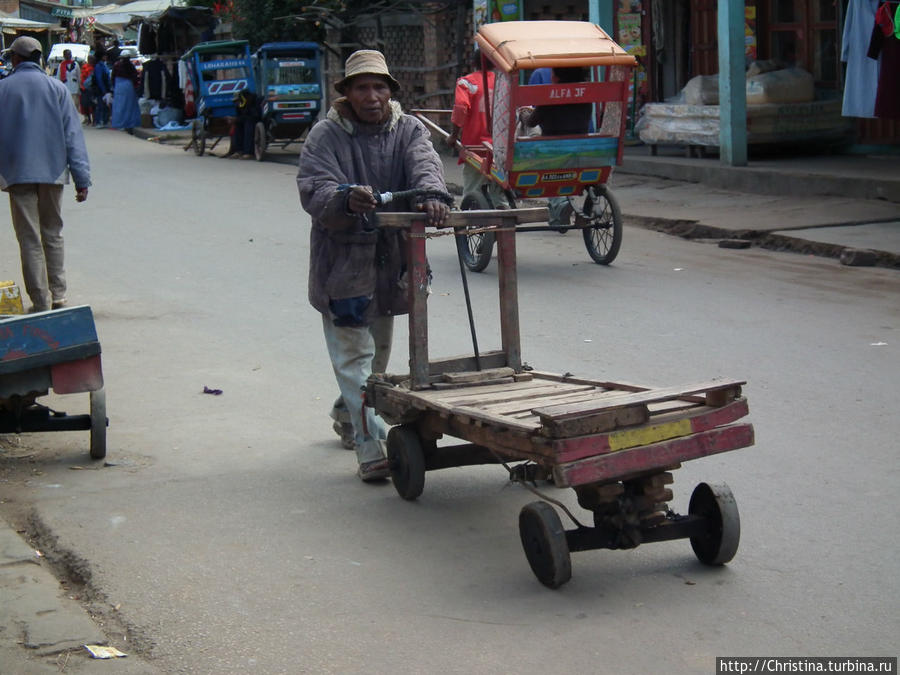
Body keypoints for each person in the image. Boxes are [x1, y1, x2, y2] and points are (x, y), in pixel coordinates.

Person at [297, 49, 451, 482]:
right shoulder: (325, 136)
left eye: (379, 87)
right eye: (362, 87)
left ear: (390, 91)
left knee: (377, 360)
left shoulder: (408, 130)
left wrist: (432, 196)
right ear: (346, 94)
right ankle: (370, 447)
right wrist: (345, 197)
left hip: (391, 264)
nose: (372, 96)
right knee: (355, 359)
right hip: (344, 266)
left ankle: (348, 413)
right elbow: (315, 189)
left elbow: (425, 166)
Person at [0, 37, 90, 313]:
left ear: (15, 59)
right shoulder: (57, 88)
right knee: (53, 233)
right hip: (53, 172)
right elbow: (73, 136)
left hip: (16, 173)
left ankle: (39, 301)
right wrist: (82, 179)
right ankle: (59, 295)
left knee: (28, 237)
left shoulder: (3, 89)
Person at [523, 67, 593, 230]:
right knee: (563, 167)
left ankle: (560, 204)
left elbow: (531, 122)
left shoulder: (549, 96)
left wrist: (524, 114)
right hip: (581, 150)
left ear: (557, 76)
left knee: (546, 168)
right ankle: (559, 213)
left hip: (551, 153)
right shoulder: (587, 95)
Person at [446, 49, 510, 207]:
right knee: (498, 193)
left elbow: (461, 108)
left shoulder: (466, 83)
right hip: (501, 148)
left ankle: (473, 222)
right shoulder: (503, 82)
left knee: (472, 190)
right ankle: (503, 222)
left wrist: (453, 136)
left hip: (475, 147)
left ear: (473, 63)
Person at [222, 88, 260, 159]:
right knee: (237, 126)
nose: (237, 103)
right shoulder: (239, 106)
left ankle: (248, 152)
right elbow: (239, 116)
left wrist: (237, 119)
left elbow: (254, 116)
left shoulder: (253, 102)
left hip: (254, 120)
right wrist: (233, 119)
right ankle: (239, 150)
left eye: (238, 100)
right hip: (244, 120)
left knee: (248, 126)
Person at [109, 51, 141, 133]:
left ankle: (119, 123)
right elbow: (135, 77)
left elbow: (112, 78)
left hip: (119, 87)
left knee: (119, 105)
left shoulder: (116, 65)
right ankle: (129, 123)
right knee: (129, 106)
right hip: (128, 86)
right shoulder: (130, 65)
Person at [92, 50, 111, 128]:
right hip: (101, 89)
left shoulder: (104, 65)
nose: (106, 57)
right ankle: (99, 121)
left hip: (105, 88)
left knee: (105, 106)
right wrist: (104, 90)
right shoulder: (99, 66)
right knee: (100, 105)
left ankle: (104, 120)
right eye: (104, 55)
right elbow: (99, 79)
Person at [80, 55, 95, 125]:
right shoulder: (84, 67)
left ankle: (94, 119)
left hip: (92, 88)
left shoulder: (94, 67)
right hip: (85, 88)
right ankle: (88, 119)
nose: (90, 60)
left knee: (93, 105)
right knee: (85, 105)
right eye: (89, 59)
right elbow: (82, 77)